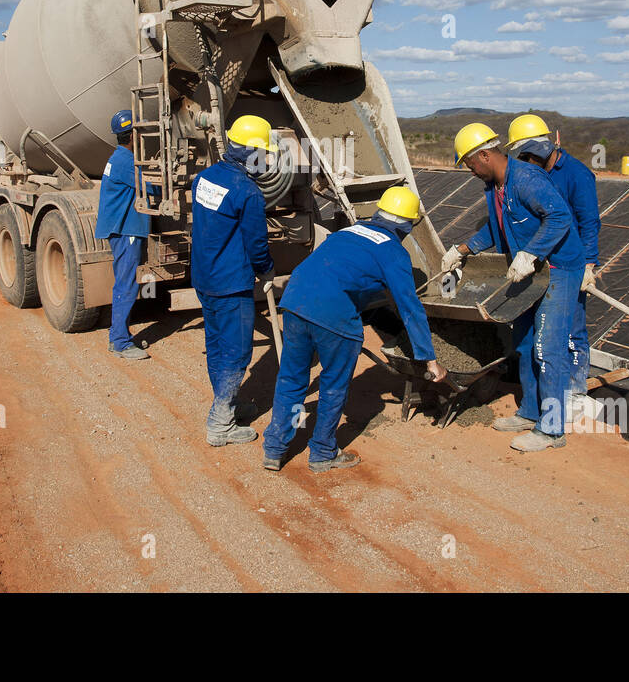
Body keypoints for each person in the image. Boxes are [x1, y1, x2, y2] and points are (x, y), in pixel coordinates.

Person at [261, 187, 446, 473]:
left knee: (292, 379)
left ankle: (275, 448)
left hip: (296, 301)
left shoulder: (349, 232)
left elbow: (342, 275)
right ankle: (322, 453)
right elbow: (410, 308)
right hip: (333, 314)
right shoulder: (393, 251)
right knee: (333, 386)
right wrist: (429, 360)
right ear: (406, 226)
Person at [442, 123, 583, 452]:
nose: (469, 170)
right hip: (529, 272)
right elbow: (496, 227)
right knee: (523, 343)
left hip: (558, 270)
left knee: (548, 349)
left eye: (469, 163)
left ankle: (552, 430)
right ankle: (531, 412)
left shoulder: (527, 179)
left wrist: (531, 253)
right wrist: (461, 251)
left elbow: (560, 217)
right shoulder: (493, 186)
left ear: (486, 156)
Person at [190, 114, 276, 447]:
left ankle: (229, 401)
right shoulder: (248, 192)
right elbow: (257, 245)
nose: (265, 160)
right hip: (231, 284)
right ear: (251, 153)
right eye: (263, 153)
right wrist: (266, 269)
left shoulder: (204, 179)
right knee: (238, 351)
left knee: (216, 344)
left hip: (205, 277)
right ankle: (220, 422)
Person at [506, 114, 600, 396]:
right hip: (543, 261)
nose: (525, 157)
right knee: (544, 333)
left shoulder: (577, 174)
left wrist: (588, 264)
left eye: (528, 151)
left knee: (572, 327)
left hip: (570, 263)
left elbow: (589, 221)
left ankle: (574, 389)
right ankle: (544, 391)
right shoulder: (531, 171)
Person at [95, 109, 151, 360]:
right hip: (126, 229)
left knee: (124, 282)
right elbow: (150, 186)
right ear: (133, 136)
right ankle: (120, 341)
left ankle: (117, 335)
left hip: (123, 228)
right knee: (126, 284)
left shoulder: (117, 158)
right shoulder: (125, 162)